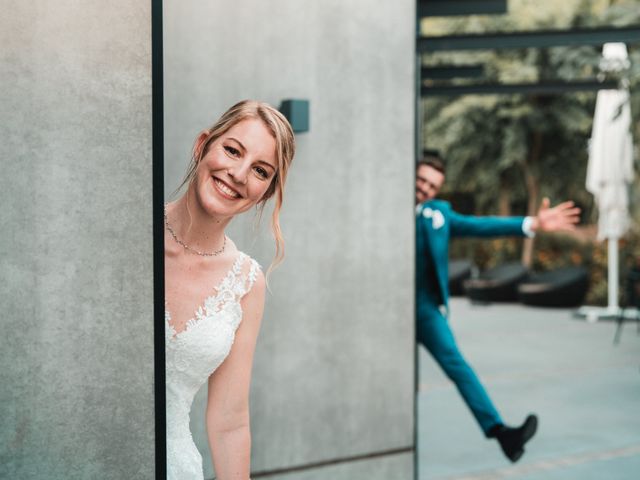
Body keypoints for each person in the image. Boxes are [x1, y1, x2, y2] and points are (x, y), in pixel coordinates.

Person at [415, 151, 580, 462]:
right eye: (421, 179)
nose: (425, 188)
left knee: (457, 364)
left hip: (423, 305)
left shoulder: (438, 214)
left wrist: (533, 223)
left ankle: (503, 434)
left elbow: (482, 226)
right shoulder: (384, 199)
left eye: (432, 186)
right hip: (381, 305)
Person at [164, 100, 295, 479]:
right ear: (202, 144)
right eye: (232, 150)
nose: (238, 173)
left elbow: (230, 422)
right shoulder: (129, 229)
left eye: (260, 170)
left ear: (265, 193)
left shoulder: (245, 283)